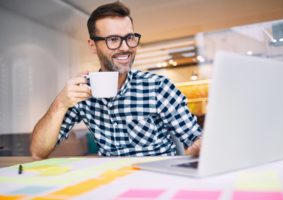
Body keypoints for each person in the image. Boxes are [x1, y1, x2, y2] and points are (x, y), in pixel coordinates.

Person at [30, 2, 202, 159]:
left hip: (156, 178)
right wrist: (60, 104)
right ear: (92, 45)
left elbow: (195, 139)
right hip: (110, 184)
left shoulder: (157, 87)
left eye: (130, 38)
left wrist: (193, 153)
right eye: (113, 39)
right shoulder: (82, 91)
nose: (126, 47)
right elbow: (38, 152)